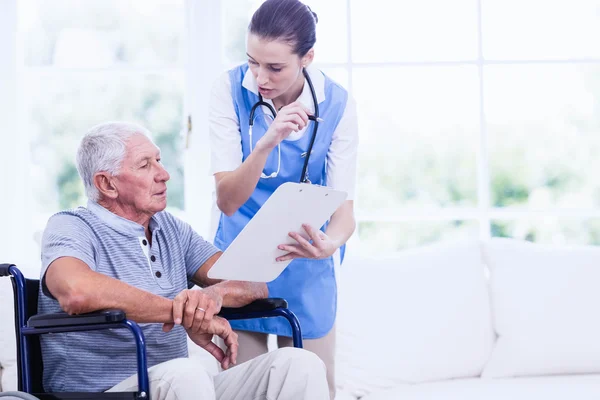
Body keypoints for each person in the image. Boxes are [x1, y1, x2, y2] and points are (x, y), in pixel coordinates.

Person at [38, 121, 329, 400]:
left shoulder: (170, 228)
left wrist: (212, 297)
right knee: (187, 374)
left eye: (159, 160)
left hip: (176, 386)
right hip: (103, 393)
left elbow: (253, 281)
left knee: (299, 365)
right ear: (107, 184)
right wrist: (178, 312)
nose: (163, 173)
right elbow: (76, 291)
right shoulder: (71, 226)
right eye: (145, 165)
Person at [209, 0, 358, 396]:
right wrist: (266, 141)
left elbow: (345, 211)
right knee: (242, 389)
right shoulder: (228, 90)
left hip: (307, 266)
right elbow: (227, 199)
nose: (260, 77)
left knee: (311, 386)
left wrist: (332, 244)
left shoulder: (337, 105)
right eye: (253, 62)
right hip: (241, 265)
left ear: (307, 58)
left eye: (275, 67)